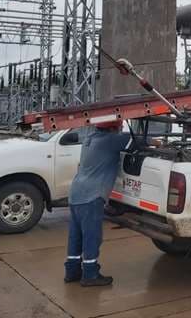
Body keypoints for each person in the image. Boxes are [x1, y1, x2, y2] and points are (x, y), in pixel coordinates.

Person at [64, 120, 130, 286]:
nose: (121, 129)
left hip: (76, 193)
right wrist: (158, 142)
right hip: (91, 196)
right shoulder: (111, 140)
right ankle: (90, 274)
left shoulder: (89, 138)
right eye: (120, 127)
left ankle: (72, 272)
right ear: (113, 128)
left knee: (76, 235)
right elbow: (140, 141)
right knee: (92, 237)